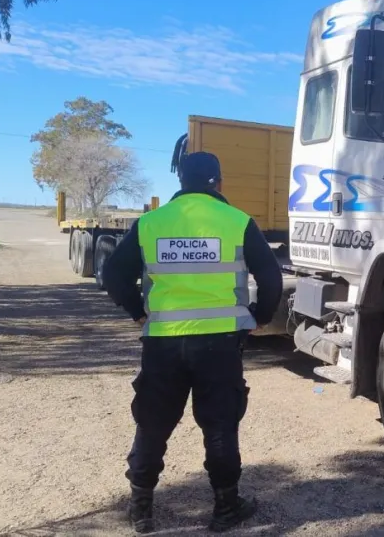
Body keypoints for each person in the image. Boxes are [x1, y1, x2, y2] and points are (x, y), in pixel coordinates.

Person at [102, 151, 283, 534]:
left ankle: (140, 508)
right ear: (218, 182)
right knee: (219, 425)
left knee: (152, 423)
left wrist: (136, 311)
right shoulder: (237, 221)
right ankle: (226, 507)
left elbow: (113, 273)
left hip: (163, 343)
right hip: (219, 344)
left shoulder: (151, 223)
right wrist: (261, 316)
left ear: (181, 182)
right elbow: (271, 277)